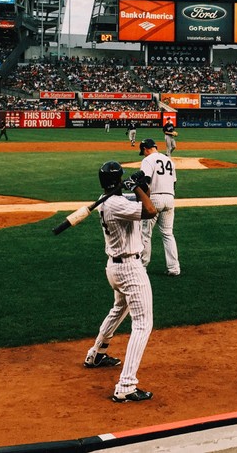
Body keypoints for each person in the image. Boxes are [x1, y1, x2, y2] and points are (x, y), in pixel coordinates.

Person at [84, 161, 158, 404]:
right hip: (129, 269)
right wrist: (138, 188)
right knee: (143, 324)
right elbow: (150, 210)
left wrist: (140, 186)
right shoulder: (116, 204)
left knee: (119, 309)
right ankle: (126, 385)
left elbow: (137, 198)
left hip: (114, 268)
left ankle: (96, 353)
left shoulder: (106, 200)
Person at [138, 138, 180, 277]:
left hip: (154, 198)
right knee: (168, 234)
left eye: (143, 151)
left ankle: (142, 267)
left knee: (145, 233)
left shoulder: (148, 160)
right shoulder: (169, 160)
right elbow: (174, 183)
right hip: (170, 198)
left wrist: (144, 200)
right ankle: (174, 268)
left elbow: (146, 182)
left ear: (145, 149)